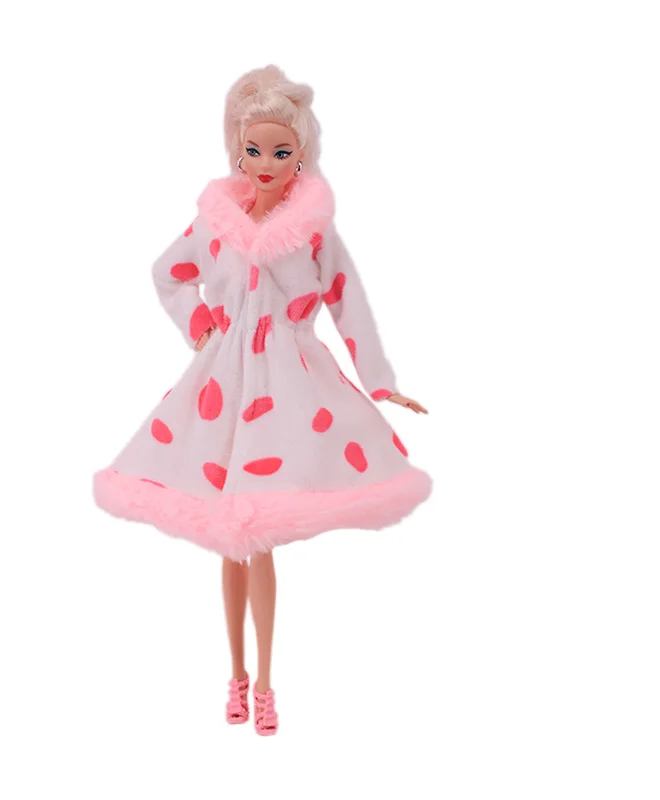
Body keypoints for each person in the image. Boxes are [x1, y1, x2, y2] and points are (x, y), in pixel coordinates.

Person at [93, 65, 432, 735]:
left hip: (289, 380)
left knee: (263, 529)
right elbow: (168, 273)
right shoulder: (215, 223)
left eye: (281, 151)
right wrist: (199, 322)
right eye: (255, 150)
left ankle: (267, 683)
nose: (267, 163)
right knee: (227, 535)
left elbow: (346, 299)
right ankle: (236, 676)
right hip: (223, 380)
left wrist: (378, 379)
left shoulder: (313, 230)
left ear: (301, 153)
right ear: (237, 152)